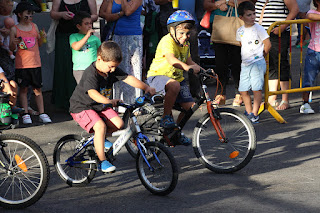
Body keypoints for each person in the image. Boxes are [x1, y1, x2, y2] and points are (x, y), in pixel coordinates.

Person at [69, 41, 155, 172]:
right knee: (100, 126)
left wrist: (146, 87)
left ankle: (99, 140)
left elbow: (128, 78)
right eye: (110, 66)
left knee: (119, 124)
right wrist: (108, 101)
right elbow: (92, 93)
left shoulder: (110, 70)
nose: (113, 70)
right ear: (99, 59)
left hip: (100, 105)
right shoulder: (91, 73)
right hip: (82, 106)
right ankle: (102, 161)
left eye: (115, 67)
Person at [147, 10, 205, 145]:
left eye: (188, 33)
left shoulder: (186, 45)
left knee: (190, 107)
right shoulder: (167, 41)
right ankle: (166, 117)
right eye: (181, 33)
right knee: (174, 85)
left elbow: (190, 62)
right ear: (172, 30)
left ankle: (175, 132)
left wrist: (205, 71)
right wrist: (187, 68)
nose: (185, 36)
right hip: (158, 76)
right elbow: (171, 60)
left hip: (177, 79)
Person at [50, 0, 98, 110]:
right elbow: (53, 14)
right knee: (64, 68)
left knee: (83, 66)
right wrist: (62, 14)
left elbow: (95, 15)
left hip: (84, 35)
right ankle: (64, 101)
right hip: (64, 35)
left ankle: (85, 102)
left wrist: (82, 20)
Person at [9, 1, 52, 124]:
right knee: (23, 89)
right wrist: (14, 43)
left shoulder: (34, 26)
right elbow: (12, 48)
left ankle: (42, 112)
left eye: (32, 13)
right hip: (21, 65)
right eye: (28, 13)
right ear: (19, 14)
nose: (30, 16)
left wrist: (43, 37)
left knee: (37, 89)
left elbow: (38, 43)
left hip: (35, 63)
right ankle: (25, 113)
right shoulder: (14, 29)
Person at [203, 0, 251, 107]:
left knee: (237, 62)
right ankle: (221, 93)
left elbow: (244, 3)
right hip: (218, 26)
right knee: (220, 62)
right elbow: (206, 5)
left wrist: (227, 1)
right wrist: (218, 5)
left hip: (237, 25)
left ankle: (240, 92)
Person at [99, 0, 143, 113]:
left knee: (134, 70)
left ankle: (135, 103)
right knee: (118, 69)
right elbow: (105, 15)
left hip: (133, 36)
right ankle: (119, 103)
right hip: (116, 36)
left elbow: (128, 11)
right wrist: (118, 14)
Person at [255, 0, 299, 110]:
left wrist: (282, 27)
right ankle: (272, 98)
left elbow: (294, 10)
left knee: (281, 63)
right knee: (270, 66)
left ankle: (285, 99)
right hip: (262, 33)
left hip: (277, 33)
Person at [236, 1, 271, 123]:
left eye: (254, 14)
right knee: (243, 90)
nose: (252, 17)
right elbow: (241, 44)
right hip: (245, 64)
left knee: (256, 89)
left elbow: (267, 44)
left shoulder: (259, 29)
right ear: (241, 17)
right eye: (249, 15)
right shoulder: (240, 31)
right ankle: (249, 110)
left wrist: (261, 56)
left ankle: (255, 113)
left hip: (257, 63)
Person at [300, 0, 320, 114]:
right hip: (314, 51)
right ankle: (305, 103)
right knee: (309, 78)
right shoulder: (312, 12)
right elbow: (310, 16)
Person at [70, 11, 101, 84]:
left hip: (94, 68)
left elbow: (100, 52)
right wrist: (87, 36)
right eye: (86, 24)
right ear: (79, 26)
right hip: (80, 69)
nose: (90, 26)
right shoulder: (73, 37)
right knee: (84, 90)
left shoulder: (95, 38)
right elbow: (76, 47)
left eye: (90, 23)